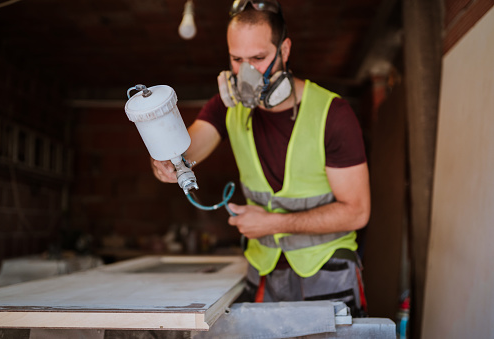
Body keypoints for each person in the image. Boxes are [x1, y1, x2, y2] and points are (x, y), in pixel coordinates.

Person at [152, 0, 370, 317]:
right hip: (265, 273)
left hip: (328, 274)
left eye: (258, 57)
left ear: (284, 50)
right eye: (236, 59)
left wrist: (274, 223)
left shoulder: (333, 114)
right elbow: (185, 150)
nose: (246, 72)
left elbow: (357, 213)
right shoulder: (225, 106)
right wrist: (165, 160)